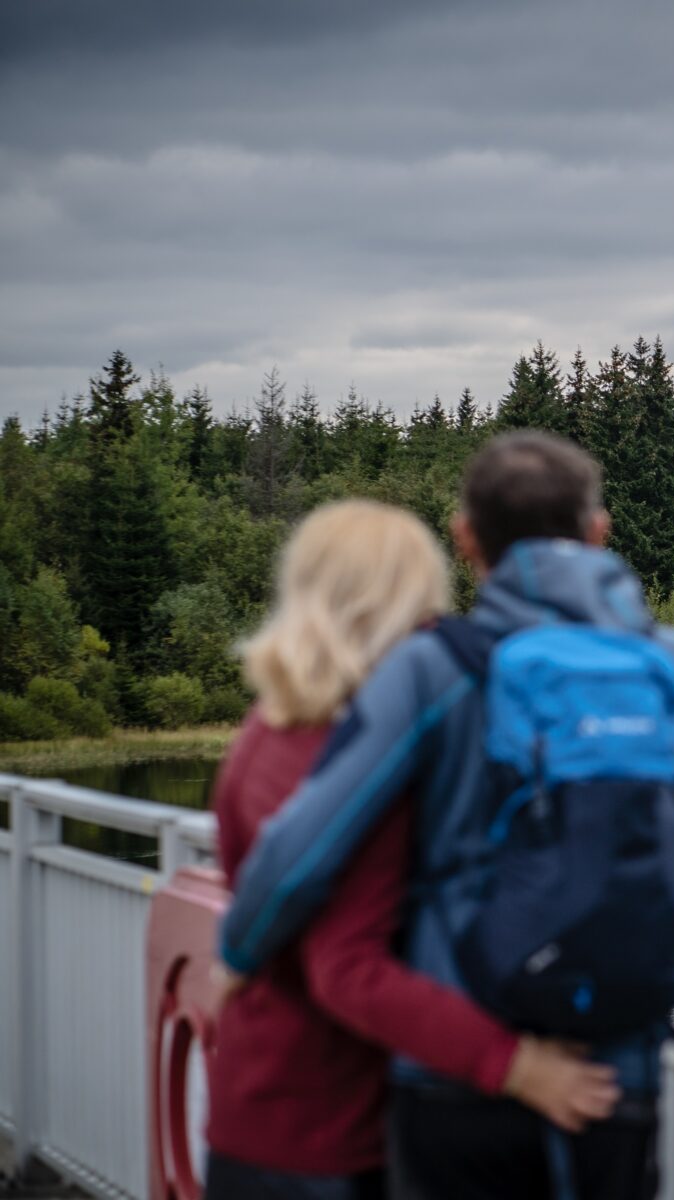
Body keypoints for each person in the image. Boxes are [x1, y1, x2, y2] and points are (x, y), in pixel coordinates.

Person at [220, 433, 674, 1199]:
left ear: (466, 539)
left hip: (457, 1087)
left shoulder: (432, 668)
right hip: (614, 1077)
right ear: (599, 531)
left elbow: (298, 854)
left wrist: (238, 955)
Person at [207, 499, 620, 1200]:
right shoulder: (332, 761)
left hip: (260, 1107)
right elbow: (346, 969)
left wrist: (235, 952)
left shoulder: (265, 732)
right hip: (330, 1137)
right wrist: (516, 1065)